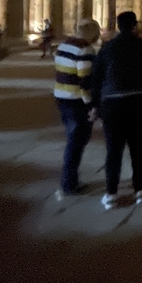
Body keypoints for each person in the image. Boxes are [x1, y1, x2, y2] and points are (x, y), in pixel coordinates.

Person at [91, 11, 142, 210]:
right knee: (138, 149)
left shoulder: (107, 48)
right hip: (139, 103)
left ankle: (111, 194)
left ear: (118, 27)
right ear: (134, 26)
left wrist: (96, 105)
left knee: (113, 151)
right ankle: (139, 190)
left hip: (113, 105)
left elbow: (96, 79)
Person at [53, 18, 101, 199]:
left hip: (61, 97)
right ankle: (69, 183)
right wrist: (91, 105)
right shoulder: (85, 50)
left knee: (73, 139)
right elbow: (84, 82)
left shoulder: (63, 45)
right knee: (76, 142)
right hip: (76, 101)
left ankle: (70, 179)